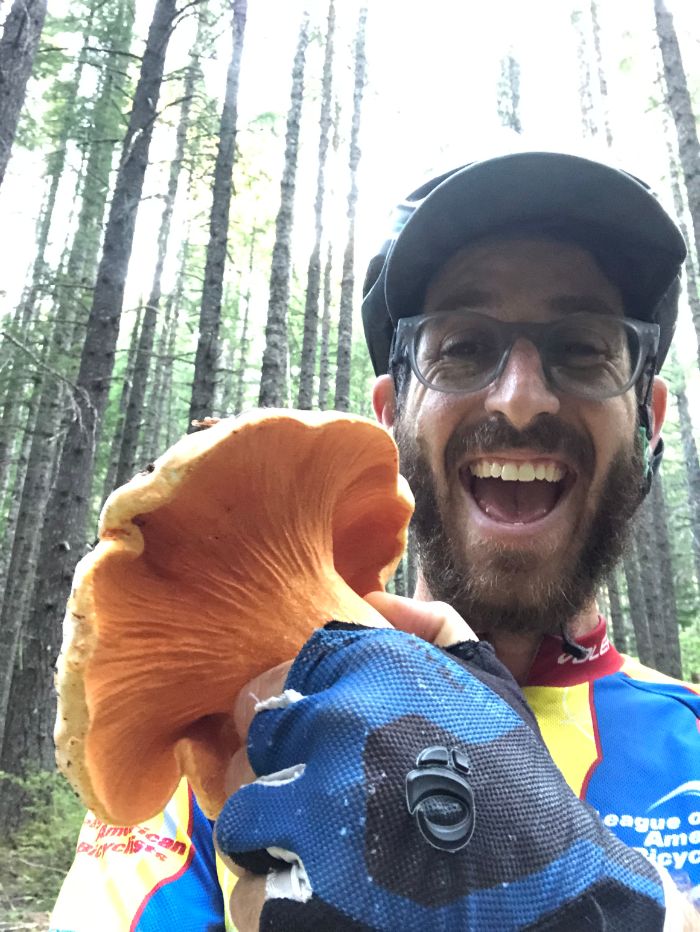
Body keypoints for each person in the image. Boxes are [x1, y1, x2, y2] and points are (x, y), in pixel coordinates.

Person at [50, 151, 700, 931]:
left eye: (584, 348)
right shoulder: (220, 758)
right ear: (390, 418)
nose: (522, 398)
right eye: (461, 346)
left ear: (650, 419)